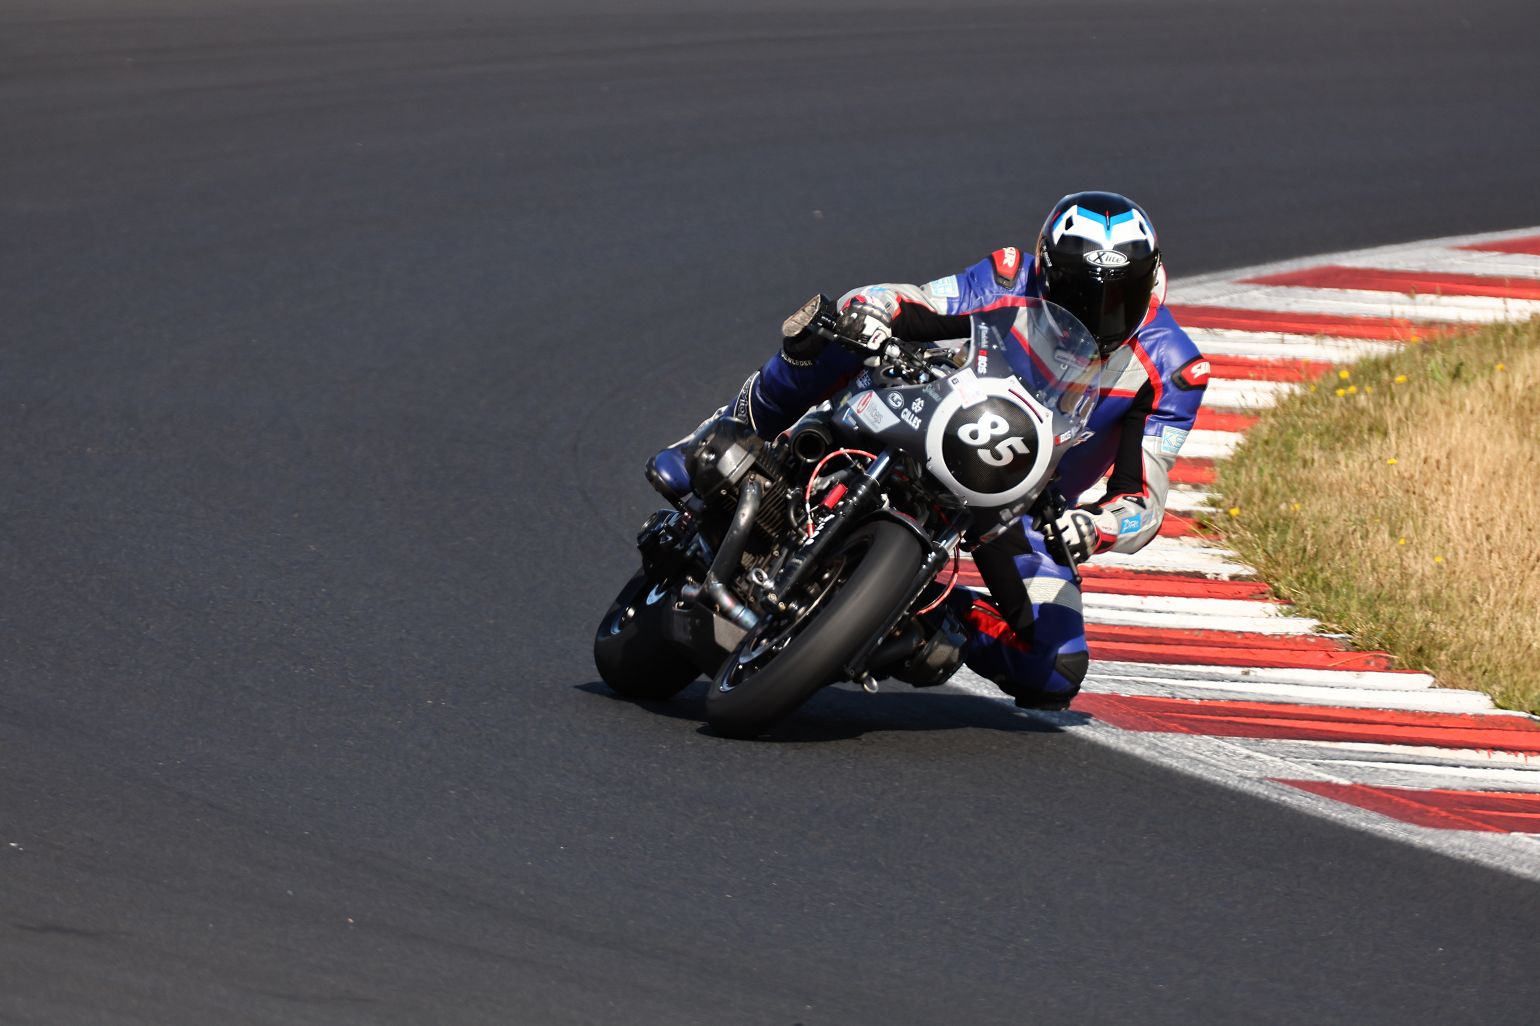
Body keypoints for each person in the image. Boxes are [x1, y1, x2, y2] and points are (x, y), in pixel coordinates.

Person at [650, 192, 1209, 709]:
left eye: (1120, 296)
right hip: (932, 408)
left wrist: (1097, 526)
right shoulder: (1011, 275)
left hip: (1021, 499)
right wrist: (874, 309)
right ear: (1047, 271)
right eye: (1080, 292)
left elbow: (1143, 495)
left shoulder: (1174, 369)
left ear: (1150, 281)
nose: (1099, 311)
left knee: (1056, 668)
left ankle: (926, 617)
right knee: (832, 330)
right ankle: (723, 429)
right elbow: (915, 300)